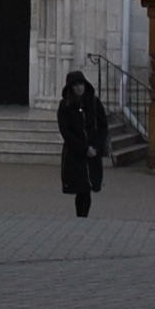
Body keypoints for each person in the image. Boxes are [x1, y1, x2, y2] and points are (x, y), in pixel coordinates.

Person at [55, 70, 107, 218]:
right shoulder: (65, 106)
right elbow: (66, 131)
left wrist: (96, 146)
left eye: (81, 84)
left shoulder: (94, 103)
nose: (79, 88)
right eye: (76, 85)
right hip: (75, 154)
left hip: (92, 152)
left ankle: (83, 217)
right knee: (81, 188)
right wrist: (84, 148)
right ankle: (81, 217)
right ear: (70, 88)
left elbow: (102, 126)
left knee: (88, 187)